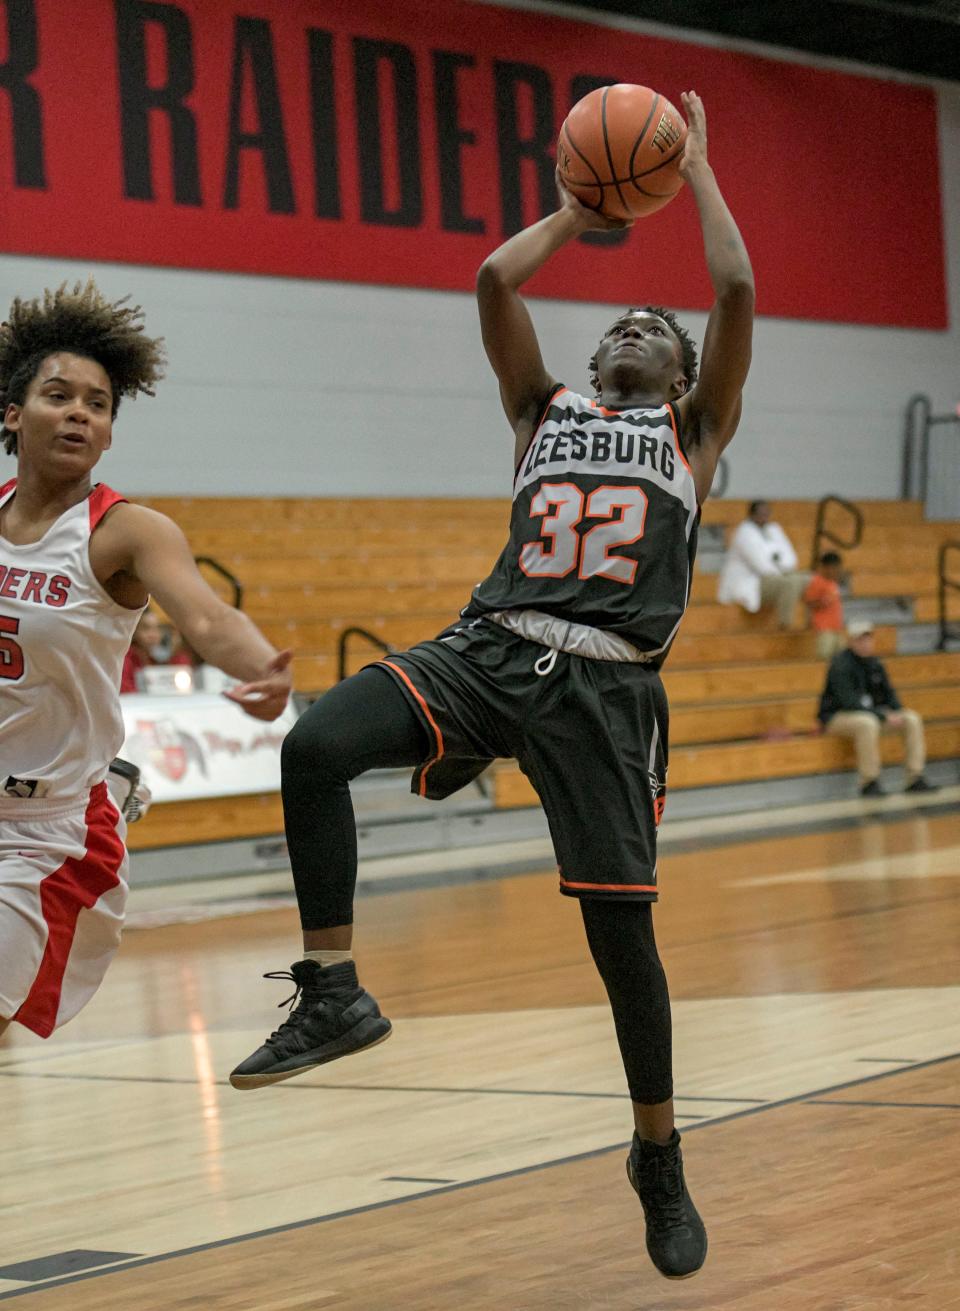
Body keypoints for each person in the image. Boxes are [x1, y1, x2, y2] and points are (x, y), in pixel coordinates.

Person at [230, 90, 753, 1281]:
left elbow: (733, 294)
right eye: (615, 322)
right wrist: (579, 211)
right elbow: (490, 282)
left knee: (622, 939)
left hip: (609, 689)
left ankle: (658, 1153)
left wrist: (699, 170)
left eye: (650, 326)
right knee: (314, 749)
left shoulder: (696, 431)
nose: (632, 325)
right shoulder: (541, 409)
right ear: (591, 361)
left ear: (678, 371)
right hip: (489, 645)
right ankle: (333, 991)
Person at [0, 279, 293, 1044]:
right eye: (58, 395)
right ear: (11, 413)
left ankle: (103, 784)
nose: (79, 412)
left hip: (42, 832)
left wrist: (261, 665)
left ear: (107, 434)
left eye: (97, 404)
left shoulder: (124, 532)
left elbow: (206, 614)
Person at [818, 621, 938, 796]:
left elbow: (889, 693)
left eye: (868, 639)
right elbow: (850, 703)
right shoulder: (840, 665)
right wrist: (883, 716)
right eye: (860, 640)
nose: (865, 643)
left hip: (871, 714)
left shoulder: (875, 664)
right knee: (867, 724)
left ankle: (915, 777)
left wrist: (897, 711)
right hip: (837, 716)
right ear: (851, 642)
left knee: (911, 719)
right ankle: (869, 782)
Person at [717, 499, 808, 628]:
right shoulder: (744, 533)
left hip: (774, 576)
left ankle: (813, 623)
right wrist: (781, 568)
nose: (765, 517)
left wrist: (781, 567)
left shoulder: (774, 529)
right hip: (751, 582)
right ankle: (785, 625)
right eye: (761, 513)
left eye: (767, 513)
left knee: (806, 579)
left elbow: (791, 559)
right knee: (790, 583)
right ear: (752, 515)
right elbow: (761, 565)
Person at [120, 606, 195, 692]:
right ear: (134, 630)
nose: (153, 634)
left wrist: (176, 652)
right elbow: (126, 693)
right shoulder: (125, 658)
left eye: (158, 628)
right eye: (146, 628)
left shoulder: (155, 659)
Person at [804, 550, 845, 659]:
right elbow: (809, 602)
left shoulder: (833, 582)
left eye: (838, 568)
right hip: (823, 628)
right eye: (834, 568)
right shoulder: (817, 582)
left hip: (836, 627)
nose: (837, 571)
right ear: (826, 567)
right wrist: (822, 602)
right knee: (824, 658)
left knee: (841, 658)